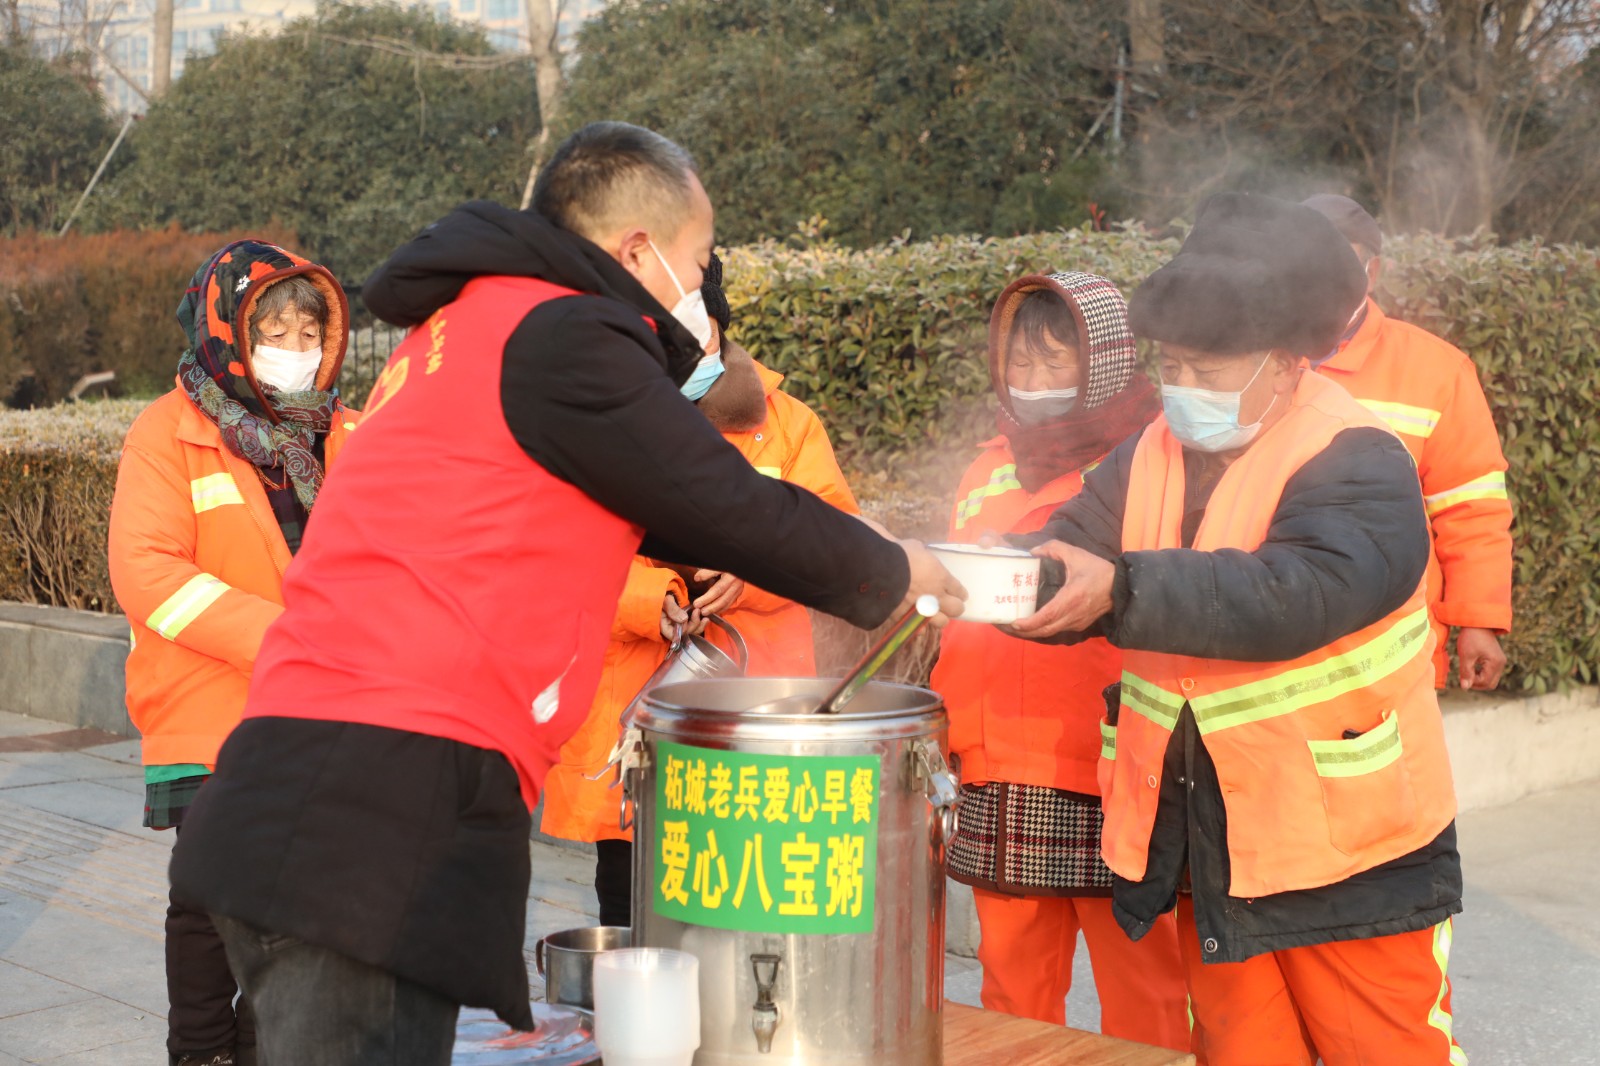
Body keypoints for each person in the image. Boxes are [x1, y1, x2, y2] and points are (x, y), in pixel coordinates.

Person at [167, 122, 963, 1066]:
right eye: (699, 260)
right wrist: (901, 568)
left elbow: (676, 510)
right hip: (378, 810)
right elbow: (722, 498)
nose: (700, 291)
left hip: (295, 788)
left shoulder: (460, 330)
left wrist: (837, 550)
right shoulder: (562, 331)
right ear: (639, 250)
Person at [1009, 193, 1465, 1064]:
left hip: (1348, 853)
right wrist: (980, 577)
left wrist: (1121, 588)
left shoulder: (1357, 455)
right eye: (1170, 365)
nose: (1181, 390)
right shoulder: (1149, 450)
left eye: (1208, 371)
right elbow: (1072, 548)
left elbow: (1294, 593)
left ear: (1288, 367)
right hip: (1211, 848)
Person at [540, 252, 863, 926]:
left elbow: (836, 541)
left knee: (752, 905)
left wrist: (754, 575)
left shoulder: (790, 425)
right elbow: (561, 549)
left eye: (700, 331)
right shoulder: (598, 428)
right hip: (635, 709)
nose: (689, 349)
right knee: (633, 907)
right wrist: (646, 598)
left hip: (758, 711)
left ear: (718, 326)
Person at [107, 240, 357, 1066]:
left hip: (326, 711)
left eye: (309, 328)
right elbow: (146, 572)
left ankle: (265, 1048)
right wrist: (283, 639)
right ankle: (203, 1054)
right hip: (212, 705)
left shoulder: (347, 435)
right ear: (228, 332)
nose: (296, 346)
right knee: (215, 903)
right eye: (273, 327)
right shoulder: (167, 432)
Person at [928, 271, 1187, 1047]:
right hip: (1000, 764)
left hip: (1113, 768)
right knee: (1012, 990)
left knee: (1145, 989)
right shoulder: (986, 467)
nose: (1033, 385)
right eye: (1020, 365)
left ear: (1102, 364)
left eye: (1055, 364)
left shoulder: (1154, 463)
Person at [1300, 194, 1513, 691]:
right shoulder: (1251, 357)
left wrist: (1477, 620)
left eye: (1340, 265)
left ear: (1372, 273)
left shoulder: (1436, 370)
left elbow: (1470, 507)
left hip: (1392, 649)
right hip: (1269, 638)